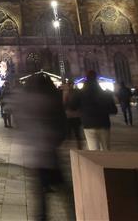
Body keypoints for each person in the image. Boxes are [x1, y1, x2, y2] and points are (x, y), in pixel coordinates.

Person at [16, 75, 66, 221]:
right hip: (49, 153)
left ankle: (41, 217)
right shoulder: (51, 100)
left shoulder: (23, 100)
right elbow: (62, 128)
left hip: (33, 155)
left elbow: (19, 124)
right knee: (64, 192)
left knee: (40, 196)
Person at [67, 71, 117, 151]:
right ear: (96, 78)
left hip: (88, 124)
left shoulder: (80, 93)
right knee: (106, 149)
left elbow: (72, 106)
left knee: (93, 151)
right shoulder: (104, 93)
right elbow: (114, 110)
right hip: (103, 123)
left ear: (86, 78)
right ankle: (106, 162)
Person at [62, 80, 83, 150]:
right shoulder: (76, 92)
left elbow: (64, 104)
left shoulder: (68, 93)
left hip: (72, 115)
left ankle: (78, 146)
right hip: (72, 116)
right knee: (74, 132)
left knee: (76, 132)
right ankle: (75, 146)